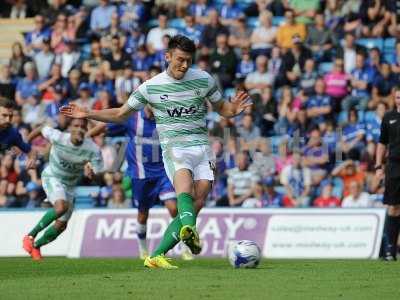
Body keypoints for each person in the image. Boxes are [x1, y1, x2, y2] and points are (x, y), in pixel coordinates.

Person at [61, 35, 251, 269]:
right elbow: (121, 114)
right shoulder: (150, 87)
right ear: (168, 56)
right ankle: (189, 231)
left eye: (188, 61)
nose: (184, 65)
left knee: (197, 202)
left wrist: (235, 109)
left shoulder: (203, 79)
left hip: (203, 148)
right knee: (184, 191)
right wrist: (88, 113)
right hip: (175, 148)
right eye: (180, 59)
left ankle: (156, 255)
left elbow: (223, 108)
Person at [88, 104, 193, 260]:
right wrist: (85, 137)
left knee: (173, 208)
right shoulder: (132, 118)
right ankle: (143, 249)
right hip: (140, 175)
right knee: (143, 214)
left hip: (163, 173)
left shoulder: (166, 118)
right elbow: (106, 125)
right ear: (146, 102)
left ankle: (185, 249)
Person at [22, 118, 103, 260]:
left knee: (61, 226)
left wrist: (92, 172)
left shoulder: (93, 149)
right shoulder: (58, 136)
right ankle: (30, 236)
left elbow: (98, 174)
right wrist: (25, 146)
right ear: (70, 128)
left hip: (70, 186)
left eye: (83, 126)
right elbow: (41, 128)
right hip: (52, 177)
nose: (79, 129)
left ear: (87, 130)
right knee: (61, 207)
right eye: (76, 125)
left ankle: (36, 246)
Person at [376, 85, 400, 260]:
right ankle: (390, 249)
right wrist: (378, 165)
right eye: (398, 97)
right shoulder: (388, 117)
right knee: (394, 206)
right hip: (394, 166)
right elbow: (382, 143)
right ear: (394, 98)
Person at [0, 99, 36, 168]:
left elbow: (31, 151)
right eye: (4, 115)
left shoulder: (13, 133)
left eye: (10, 116)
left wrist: (32, 159)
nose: (8, 120)